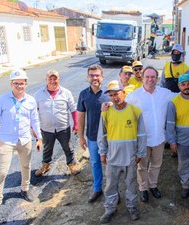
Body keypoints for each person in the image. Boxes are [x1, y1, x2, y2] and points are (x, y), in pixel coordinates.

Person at [0, 70, 43, 221]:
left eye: (22, 83)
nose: (19, 86)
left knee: (26, 167)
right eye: (16, 83)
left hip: (25, 140)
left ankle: (25, 189)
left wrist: (39, 137)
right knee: (2, 172)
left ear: (26, 84)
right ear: (11, 84)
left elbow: (35, 120)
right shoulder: (2, 100)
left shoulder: (30, 100)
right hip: (7, 141)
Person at [98, 80, 147, 223]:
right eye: (111, 95)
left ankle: (132, 207)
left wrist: (140, 153)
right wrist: (102, 152)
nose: (115, 97)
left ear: (123, 93)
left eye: (117, 93)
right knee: (110, 185)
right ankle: (110, 209)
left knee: (131, 184)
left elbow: (142, 134)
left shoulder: (135, 111)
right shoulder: (106, 113)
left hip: (130, 157)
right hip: (112, 158)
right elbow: (102, 135)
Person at [126, 66, 177, 202]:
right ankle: (143, 188)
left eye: (153, 77)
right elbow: (121, 106)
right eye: (147, 77)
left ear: (157, 78)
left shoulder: (164, 93)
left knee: (156, 164)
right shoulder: (133, 96)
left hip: (159, 137)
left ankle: (153, 185)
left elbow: (181, 96)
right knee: (141, 166)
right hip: (142, 140)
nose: (150, 79)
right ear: (142, 78)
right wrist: (107, 105)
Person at [34, 69, 80, 177]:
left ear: (59, 79)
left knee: (67, 147)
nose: (53, 81)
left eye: (55, 78)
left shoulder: (66, 93)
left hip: (63, 128)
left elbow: (73, 109)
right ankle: (45, 165)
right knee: (47, 148)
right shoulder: (38, 94)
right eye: (50, 78)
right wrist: (34, 128)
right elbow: (34, 112)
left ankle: (72, 164)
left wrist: (76, 124)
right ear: (46, 80)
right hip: (46, 128)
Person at [77, 64, 109, 203]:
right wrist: (81, 137)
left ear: (102, 77)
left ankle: (112, 190)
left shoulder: (109, 93)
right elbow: (81, 116)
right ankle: (97, 189)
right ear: (87, 77)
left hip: (109, 137)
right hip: (92, 137)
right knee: (95, 163)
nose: (94, 78)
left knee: (110, 165)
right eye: (92, 75)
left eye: (97, 75)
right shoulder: (83, 94)